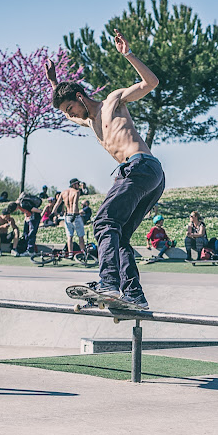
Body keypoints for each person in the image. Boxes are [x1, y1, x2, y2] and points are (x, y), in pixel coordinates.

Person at [45, 29, 162, 310]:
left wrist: (128, 55)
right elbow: (65, 106)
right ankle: (134, 295)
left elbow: (151, 82)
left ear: (81, 96)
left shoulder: (113, 102)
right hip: (148, 178)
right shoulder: (88, 122)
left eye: (71, 108)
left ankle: (108, 282)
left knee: (103, 221)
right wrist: (53, 84)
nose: (71, 115)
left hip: (141, 166)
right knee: (118, 234)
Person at [58, 178, 85, 257]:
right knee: (80, 236)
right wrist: (74, 213)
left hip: (67, 217)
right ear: (74, 184)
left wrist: (53, 212)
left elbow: (58, 203)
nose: (78, 186)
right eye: (77, 184)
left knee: (69, 236)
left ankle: (70, 254)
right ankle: (84, 253)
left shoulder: (63, 192)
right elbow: (75, 203)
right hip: (75, 216)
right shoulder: (76, 192)